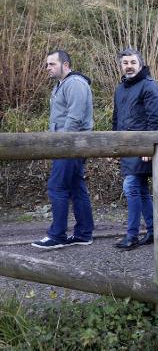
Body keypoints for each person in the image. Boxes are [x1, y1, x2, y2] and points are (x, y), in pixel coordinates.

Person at [32, 50, 95, 249]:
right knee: (76, 188)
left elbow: (74, 118)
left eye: (52, 64)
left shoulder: (75, 83)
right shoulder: (61, 85)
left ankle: (57, 235)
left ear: (65, 65)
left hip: (71, 145)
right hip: (69, 145)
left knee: (57, 186)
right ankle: (84, 234)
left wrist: (62, 145)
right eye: (47, 64)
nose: (48, 68)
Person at [112, 48, 158, 250]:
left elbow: (155, 120)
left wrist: (148, 148)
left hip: (142, 149)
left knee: (131, 187)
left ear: (140, 63)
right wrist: (115, 144)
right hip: (126, 148)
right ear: (121, 66)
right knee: (140, 190)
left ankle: (132, 235)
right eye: (125, 63)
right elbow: (116, 119)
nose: (129, 66)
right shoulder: (120, 88)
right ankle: (152, 231)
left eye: (133, 62)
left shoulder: (149, 86)